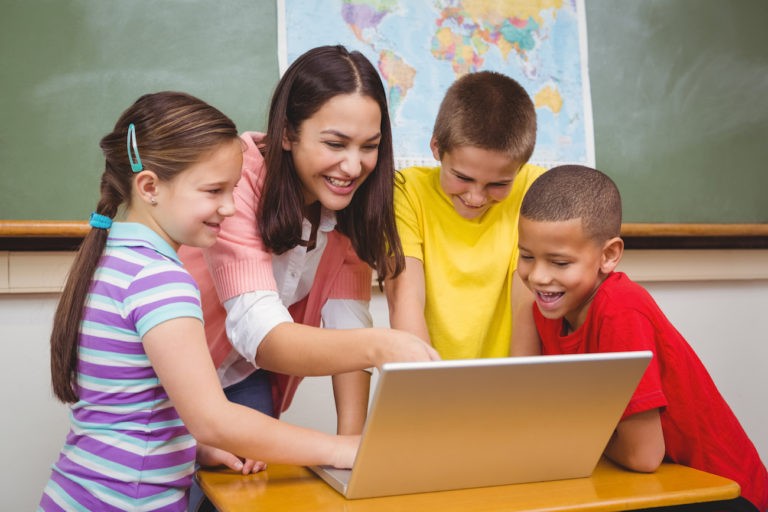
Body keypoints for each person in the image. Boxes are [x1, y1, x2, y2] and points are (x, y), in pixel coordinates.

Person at [39, 91, 372, 512]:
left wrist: (191, 448)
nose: (231, 207)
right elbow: (214, 419)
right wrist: (340, 450)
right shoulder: (161, 281)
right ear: (149, 187)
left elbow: (129, 409)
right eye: (214, 191)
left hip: (79, 495)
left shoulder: (112, 258)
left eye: (233, 189)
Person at [178, 45, 438, 435]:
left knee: (249, 491)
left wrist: (352, 449)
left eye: (369, 146)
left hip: (243, 375)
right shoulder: (237, 181)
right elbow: (263, 334)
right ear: (287, 134)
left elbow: (347, 327)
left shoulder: (353, 204)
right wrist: (384, 345)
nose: (353, 167)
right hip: (174, 375)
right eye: (335, 144)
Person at [515, 165, 768, 512]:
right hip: (656, 483)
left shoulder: (621, 309)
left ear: (609, 256)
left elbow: (644, 455)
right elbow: (529, 409)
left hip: (727, 492)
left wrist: (568, 431)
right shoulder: (543, 311)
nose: (539, 277)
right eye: (526, 256)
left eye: (559, 263)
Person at [384, 71, 545, 359]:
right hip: (427, 381)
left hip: (510, 384)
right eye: (462, 177)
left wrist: (521, 390)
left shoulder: (534, 189)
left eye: (498, 184)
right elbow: (404, 298)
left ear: (520, 167)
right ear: (436, 148)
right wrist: (425, 385)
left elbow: (526, 306)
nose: (476, 197)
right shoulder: (406, 191)